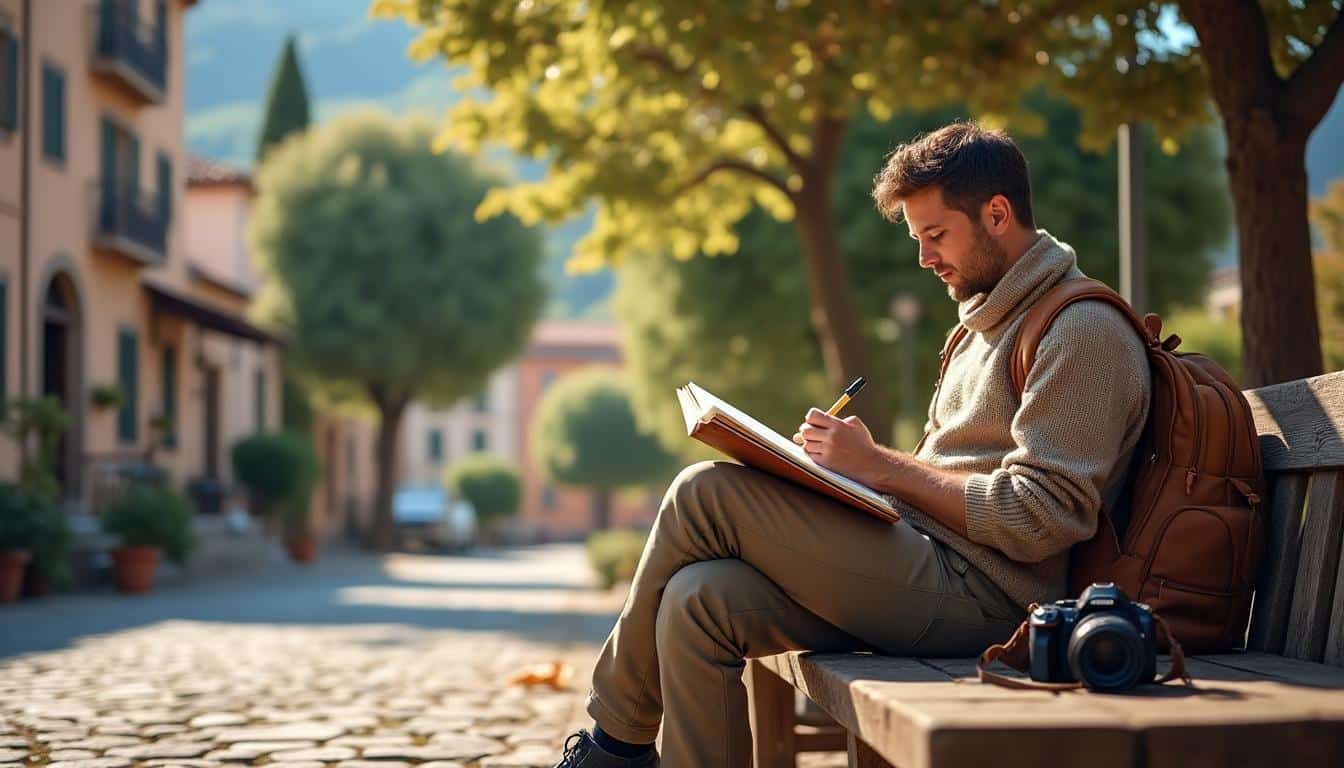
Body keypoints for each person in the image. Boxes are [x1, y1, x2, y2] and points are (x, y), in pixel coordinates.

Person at [550, 122, 1151, 768]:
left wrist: (881, 467)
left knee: (702, 493)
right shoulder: (980, 327)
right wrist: (834, 478)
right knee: (698, 600)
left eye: (936, 234)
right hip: (923, 571)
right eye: (918, 238)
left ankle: (612, 748)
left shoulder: (1080, 329)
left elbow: (1042, 518)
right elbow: (943, 481)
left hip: (995, 601)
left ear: (997, 214)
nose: (924, 257)